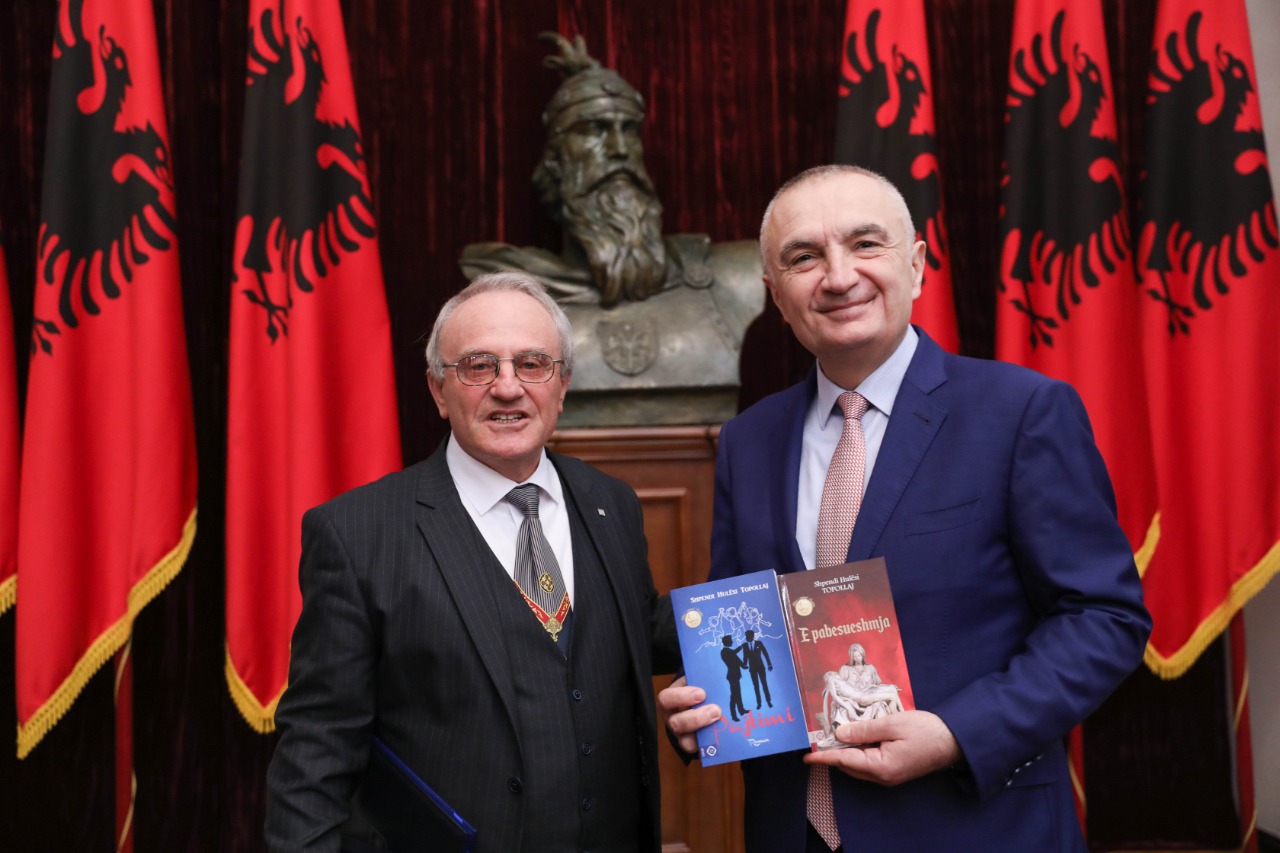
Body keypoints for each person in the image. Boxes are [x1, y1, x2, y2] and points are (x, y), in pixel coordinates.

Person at [658, 165, 1151, 852]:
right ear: (775, 295)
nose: (838, 276)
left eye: (865, 244)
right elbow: (747, 626)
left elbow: (1104, 617)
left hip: (972, 828)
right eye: (804, 257)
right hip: (793, 832)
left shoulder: (1022, 413)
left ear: (916, 266)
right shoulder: (749, 440)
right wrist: (706, 703)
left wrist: (957, 734)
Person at [266, 271, 680, 853]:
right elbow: (317, 746)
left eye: (532, 364)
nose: (508, 387)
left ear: (562, 385)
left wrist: (797, 613)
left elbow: (635, 629)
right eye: (479, 366)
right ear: (439, 390)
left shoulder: (610, 503)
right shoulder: (357, 533)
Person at [460, 33, 763, 427]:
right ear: (555, 163)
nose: (619, 149)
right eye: (594, 130)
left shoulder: (735, 277)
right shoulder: (502, 296)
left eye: (629, 130)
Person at [738, 629, 774, 710]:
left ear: (752, 636)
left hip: (761, 667)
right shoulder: (745, 645)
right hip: (752, 668)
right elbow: (745, 657)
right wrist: (744, 664)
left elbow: (765, 654)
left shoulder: (759, 643)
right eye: (746, 636)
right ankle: (759, 703)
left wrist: (769, 664)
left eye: (747, 636)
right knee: (756, 686)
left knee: (764, 684)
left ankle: (768, 701)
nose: (746, 637)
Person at [720, 635, 749, 722]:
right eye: (731, 640)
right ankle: (733, 716)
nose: (732, 642)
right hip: (732, 676)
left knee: (737, 694)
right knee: (734, 696)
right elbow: (733, 654)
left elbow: (737, 660)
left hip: (736, 675)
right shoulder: (724, 651)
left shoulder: (730, 651)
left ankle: (741, 710)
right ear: (727, 642)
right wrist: (741, 646)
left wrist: (743, 666)